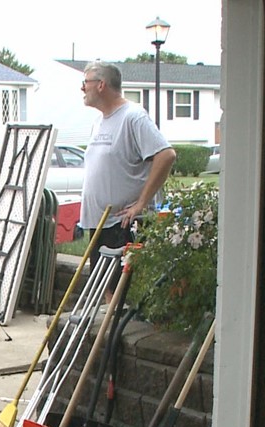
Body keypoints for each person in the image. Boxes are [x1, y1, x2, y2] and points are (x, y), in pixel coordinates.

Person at [79, 60, 177, 301]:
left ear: (101, 85)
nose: (82, 88)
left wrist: (140, 204)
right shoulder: (100, 121)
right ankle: (106, 336)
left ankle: (113, 337)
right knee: (104, 290)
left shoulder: (133, 117)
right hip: (100, 222)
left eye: (85, 82)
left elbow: (165, 155)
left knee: (116, 293)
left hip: (121, 223)